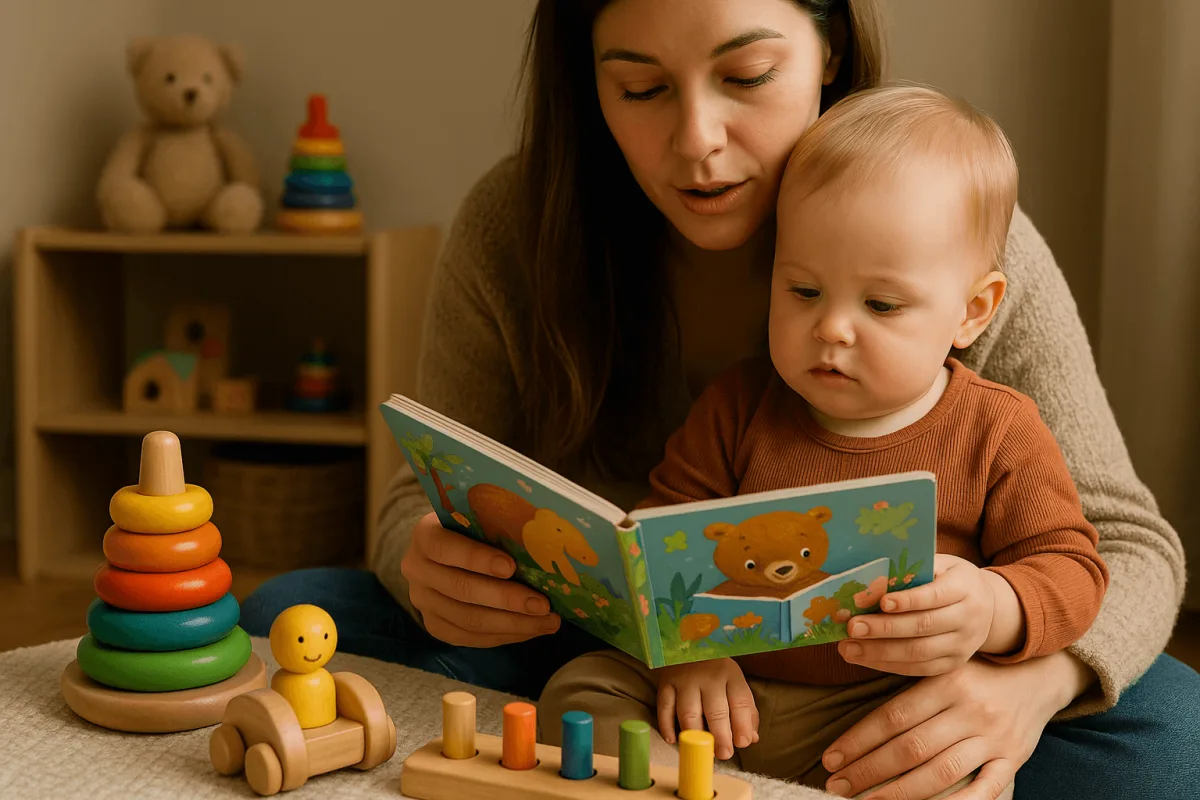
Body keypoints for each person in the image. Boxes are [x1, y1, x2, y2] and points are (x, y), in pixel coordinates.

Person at [239, 1, 1200, 798]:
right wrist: (428, 572)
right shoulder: (518, 228)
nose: (697, 140)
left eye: (745, 78)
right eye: (641, 88)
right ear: (591, 87)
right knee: (288, 614)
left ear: (828, 50)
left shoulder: (944, 225)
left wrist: (1028, 685)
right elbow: (421, 497)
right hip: (613, 645)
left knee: (1171, 743)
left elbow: (1124, 544)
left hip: (892, 675)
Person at [536, 83, 1111, 798]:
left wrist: (995, 608)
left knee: (962, 769)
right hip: (718, 692)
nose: (831, 328)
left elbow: (1073, 566)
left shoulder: (999, 429)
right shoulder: (739, 407)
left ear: (973, 311)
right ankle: (676, 786)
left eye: (880, 304)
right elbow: (660, 540)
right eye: (803, 291)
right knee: (578, 694)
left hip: (877, 710)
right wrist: (683, 655)